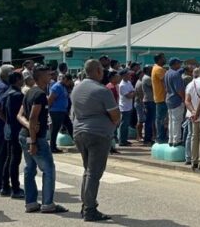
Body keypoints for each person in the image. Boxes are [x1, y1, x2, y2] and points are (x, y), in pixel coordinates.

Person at [71, 59, 120, 221]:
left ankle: (86, 204)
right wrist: (112, 124)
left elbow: (73, 113)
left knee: (88, 171)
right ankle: (90, 209)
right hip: (98, 133)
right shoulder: (102, 90)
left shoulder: (76, 89)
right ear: (98, 71)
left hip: (80, 132)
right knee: (94, 173)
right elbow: (115, 115)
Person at [17, 65, 68, 214]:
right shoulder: (39, 94)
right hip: (35, 138)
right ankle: (47, 204)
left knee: (30, 168)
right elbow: (32, 117)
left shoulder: (29, 92)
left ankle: (31, 203)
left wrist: (28, 126)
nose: (51, 76)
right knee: (48, 169)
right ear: (40, 77)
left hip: (25, 134)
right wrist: (33, 139)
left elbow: (20, 115)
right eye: (48, 74)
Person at [0, 64, 15, 194]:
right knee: (1, 154)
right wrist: (8, 121)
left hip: (0, 124)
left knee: (1, 154)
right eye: (11, 72)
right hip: (0, 125)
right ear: (6, 74)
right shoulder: (3, 87)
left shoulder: (4, 86)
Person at [2, 72, 26, 199]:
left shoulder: (7, 93)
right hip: (16, 129)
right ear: (17, 80)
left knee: (9, 158)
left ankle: (5, 186)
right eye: (22, 78)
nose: (23, 81)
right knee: (15, 160)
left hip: (9, 128)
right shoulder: (17, 95)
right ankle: (15, 188)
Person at [48, 74, 74, 153]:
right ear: (65, 79)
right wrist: (49, 110)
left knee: (70, 126)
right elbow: (50, 99)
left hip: (63, 111)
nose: (69, 83)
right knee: (55, 129)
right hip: (56, 111)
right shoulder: (57, 87)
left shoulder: (63, 87)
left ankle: (78, 142)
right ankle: (52, 147)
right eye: (69, 81)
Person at [165, 58, 187, 146]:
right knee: (177, 121)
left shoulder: (167, 72)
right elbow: (179, 89)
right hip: (176, 100)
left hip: (169, 99)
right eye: (179, 63)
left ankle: (171, 139)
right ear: (175, 64)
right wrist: (184, 98)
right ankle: (176, 140)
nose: (180, 65)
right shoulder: (176, 75)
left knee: (171, 121)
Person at [151, 53, 168, 144]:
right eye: (163, 58)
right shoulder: (159, 69)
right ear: (159, 59)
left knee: (160, 119)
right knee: (162, 119)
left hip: (160, 97)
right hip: (162, 98)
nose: (165, 59)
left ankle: (161, 137)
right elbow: (166, 82)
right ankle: (161, 138)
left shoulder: (157, 68)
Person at [117, 69, 135, 147]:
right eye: (128, 74)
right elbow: (129, 96)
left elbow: (134, 92)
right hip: (124, 107)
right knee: (124, 124)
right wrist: (132, 93)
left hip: (129, 106)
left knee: (126, 124)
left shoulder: (128, 82)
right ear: (123, 75)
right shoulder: (122, 85)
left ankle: (124, 140)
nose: (129, 76)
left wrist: (132, 93)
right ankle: (122, 140)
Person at [139, 66, 156, 144]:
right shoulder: (147, 78)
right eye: (150, 69)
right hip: (149, 101)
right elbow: (155, 87)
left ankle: (148, 138)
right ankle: (147, 139)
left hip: (150, 101)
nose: (152, 70)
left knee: (150, 120)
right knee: (149, 121)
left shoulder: (146, 77)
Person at [133, 70, 146, 142]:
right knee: (140, 120)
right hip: (139, 103)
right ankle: (139, 136)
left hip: (139, 103)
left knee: (141, 120)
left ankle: (139, 136)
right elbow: (141, 96)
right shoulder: (140, 83)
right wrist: (144, 105)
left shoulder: (140, 82)